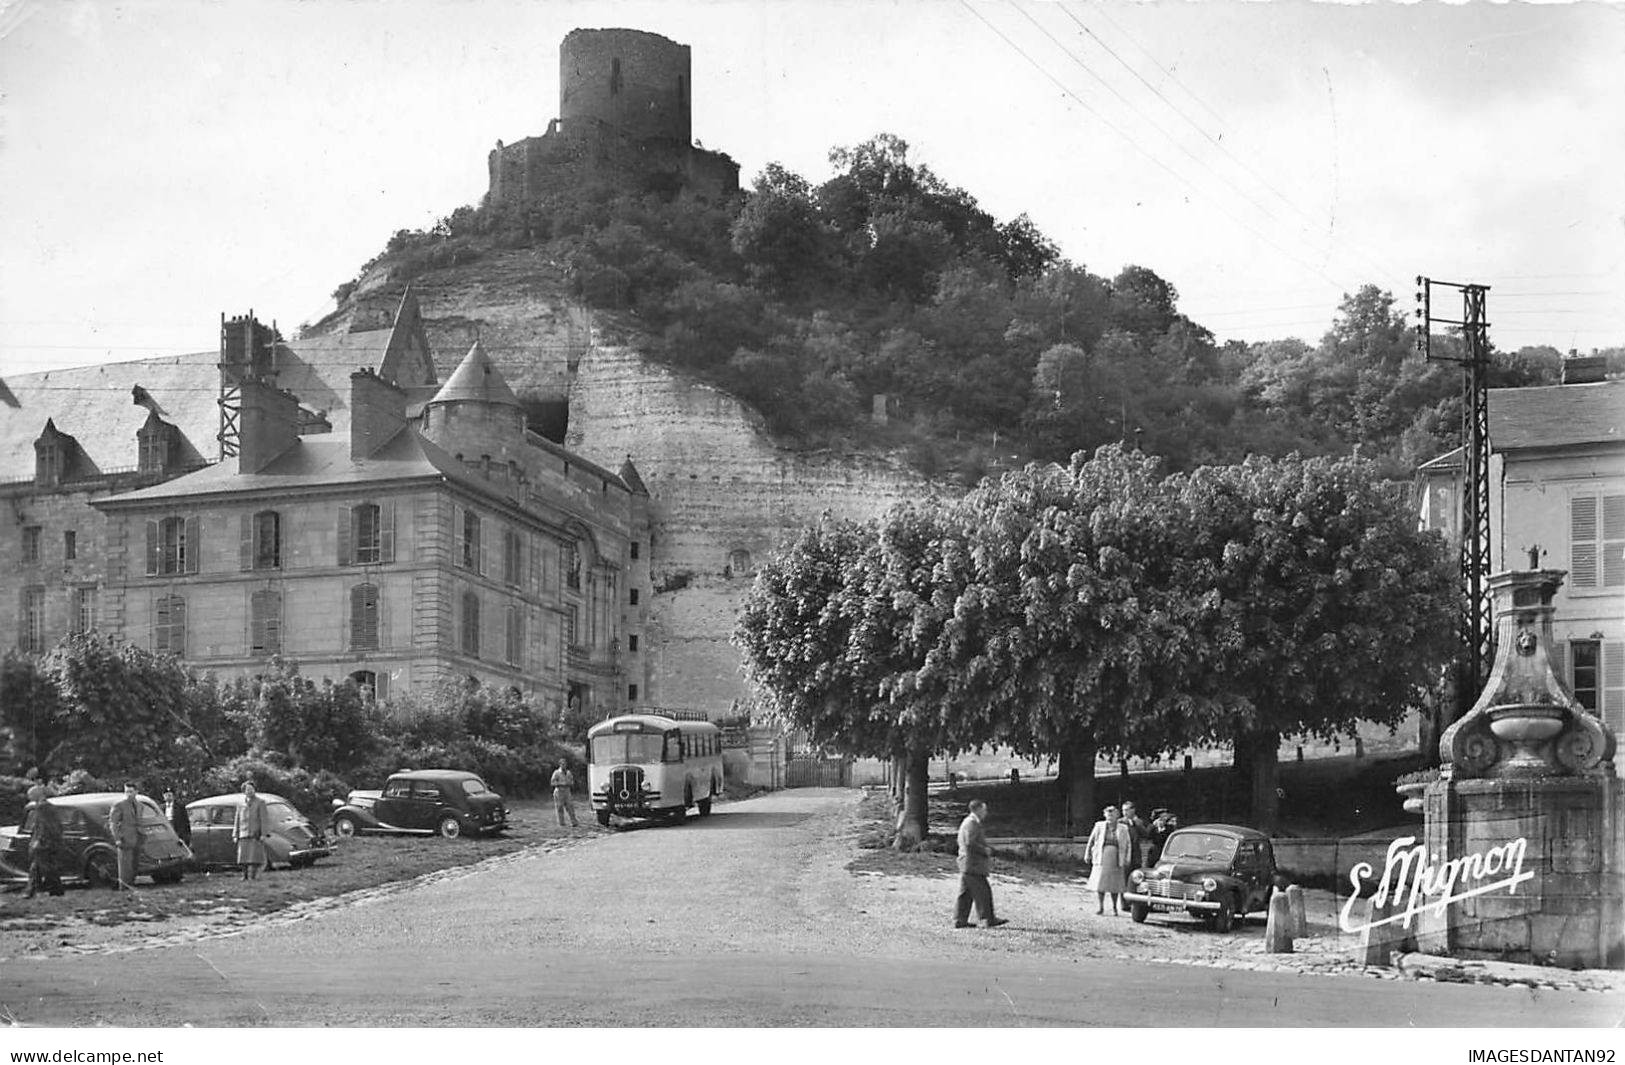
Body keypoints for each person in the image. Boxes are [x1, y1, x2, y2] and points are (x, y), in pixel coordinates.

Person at [953, 798, 1007, 929]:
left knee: (966, 893)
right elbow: (970, 843)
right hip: (972, 863)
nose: (986, 812)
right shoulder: (971, 824)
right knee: (983, 891)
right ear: (977, 810)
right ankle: (987, 919)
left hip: (968, 863)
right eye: (984, 810)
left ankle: (960, 920)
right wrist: (985, 850)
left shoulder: (969, 822)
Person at [1084, 805, 1133, 915]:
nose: (1110, 816)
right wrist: (1087, 854)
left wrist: (1127, 858)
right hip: (1102, 857)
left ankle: (1115, 907)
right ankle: (1101, 907)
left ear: (1117, 815)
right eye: (1108, 814)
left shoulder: (1123, 828)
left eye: (1113, 814)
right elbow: (1091, 841)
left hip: (1117, 858)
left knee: (1114, 884)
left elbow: (1128, 844)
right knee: (1101, 882)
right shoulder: (1099, 826)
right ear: (1104, 815)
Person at [23, 785, 65, 899]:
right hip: (48, 841)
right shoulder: (47, 806)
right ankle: (30, 891)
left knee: (46, 867)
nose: (29, 797)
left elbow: (44, 826)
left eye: (30, 795)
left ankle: (56, 890)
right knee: (35, 867)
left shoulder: (43, 807)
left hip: (44, 843)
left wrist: (39, 841)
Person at [107, 782, 145, 891]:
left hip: (138, 837)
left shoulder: (140, 805)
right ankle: (124, 887)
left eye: (131, 792)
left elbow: (140, 821)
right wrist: (117, 838)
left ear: (136, 792)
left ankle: (132, 884)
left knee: (135, 863)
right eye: (126, 792)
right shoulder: (119, 805)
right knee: (125, 865)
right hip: (125, 838)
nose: (128, 794)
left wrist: (142, 834)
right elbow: (113, 823)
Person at [234, 781, 270, 880]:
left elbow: (264, 819)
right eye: (247, 789)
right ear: (244, 791)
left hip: (255, 833)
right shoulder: (240, 804)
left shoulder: (260, 802)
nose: (250, 791)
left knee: (254, 857)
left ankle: (253, 876)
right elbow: (237, 819)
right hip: (243, 833)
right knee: (243, 857)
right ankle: (244, 876)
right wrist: (235, 834)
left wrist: (264, 833)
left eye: (251, 789)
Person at [1121, 800, 1150, 869]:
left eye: (1127, 810)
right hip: (1124, 852)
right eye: (1123, 810)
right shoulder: (1120, 822)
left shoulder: (1138, 822)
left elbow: (1145, 835)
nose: (1125, 813)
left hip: (1135, 855)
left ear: (1133, 810)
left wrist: (1137, 823)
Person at [550, 761, 579, 828]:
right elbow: (552, 782)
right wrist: (560, 783)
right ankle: (561, 823)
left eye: (565, 764)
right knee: (559, 807)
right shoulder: (556, 772)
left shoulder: (568, 772)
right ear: (560, 765)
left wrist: (569, 783)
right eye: (562, 764)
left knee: (570, 806)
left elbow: (572, 781)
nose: (564, 766)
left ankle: (574, 822)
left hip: (567, 790)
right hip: (559, 790)